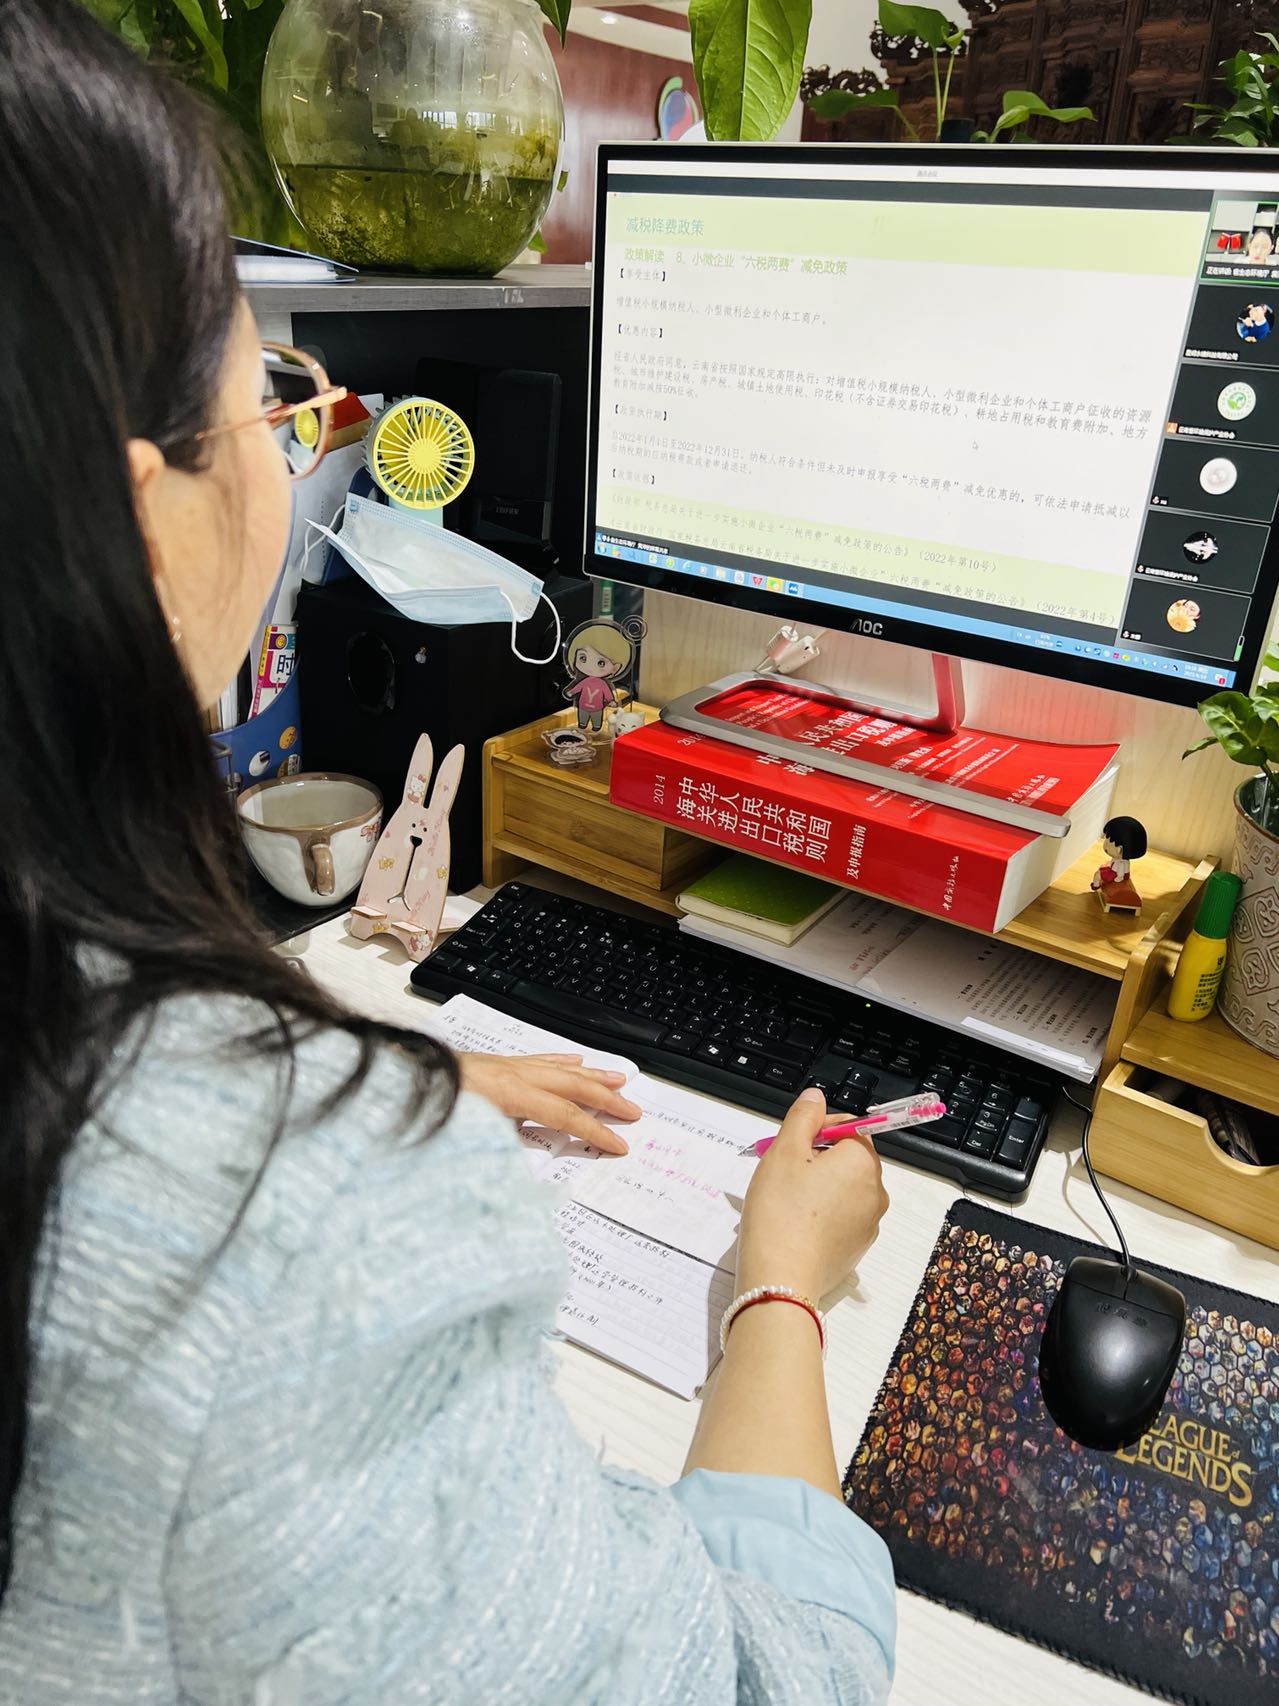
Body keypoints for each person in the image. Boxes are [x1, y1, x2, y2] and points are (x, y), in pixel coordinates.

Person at [0, 5, 895, 1703]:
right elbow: (761, 1681)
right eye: (274, 399)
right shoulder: (288, 1242)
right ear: (140, 522)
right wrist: (780, 1289)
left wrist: (321, 1076)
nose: (292, 450)